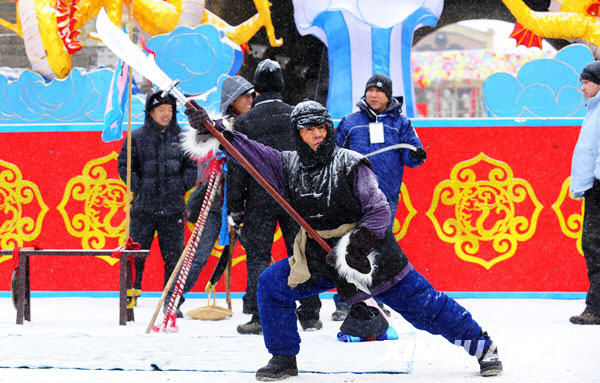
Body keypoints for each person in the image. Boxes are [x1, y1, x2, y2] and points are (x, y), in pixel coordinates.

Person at [183, 100, 503, 380]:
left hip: (369, 253)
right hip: (320, 255)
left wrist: (358, 247)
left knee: (424, 307)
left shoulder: (351, 163)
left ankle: (482, 346)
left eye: (321, 128)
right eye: (308, 130)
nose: (317, 134)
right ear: (298, 134)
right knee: (271, 285)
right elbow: (250, 152)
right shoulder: (287, 165)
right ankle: (283, 358)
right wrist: (217, 131)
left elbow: (378, 210)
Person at [226, 59, 322, 334]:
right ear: (281, 86)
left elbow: (238, 166)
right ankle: (310, 313)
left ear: (257, 90)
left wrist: (235, 205)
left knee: (258, 257)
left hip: (259, 198)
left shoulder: (244, 122)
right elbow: (311, 159)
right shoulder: (296, 117)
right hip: (295, 198)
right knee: (301, 254)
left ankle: (259, 315)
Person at [331, 73, 427, 321]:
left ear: (388, 95)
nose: (373, 95)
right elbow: (333, 153)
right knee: (348, 246)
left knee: (376, 249)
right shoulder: (351, 123)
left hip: (385, 199)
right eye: (370, 90)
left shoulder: (401, 124)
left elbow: (411, 155)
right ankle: (344, 301)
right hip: (353, 196)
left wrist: (416, 154)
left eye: (379, 91)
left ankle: (376, 300)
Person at [164, 75, 254, 317]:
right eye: (244, 95)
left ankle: (255, 303)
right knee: (199, 254)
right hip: (216, 201)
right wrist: (205, 127)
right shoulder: (217, 125)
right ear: (232, 100)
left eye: (251, 95)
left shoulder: (255, 123)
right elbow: (200, 141)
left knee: (257, 253)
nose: (250, 99)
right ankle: (172, 299)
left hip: (246, 201)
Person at [118, 91, 197, 300]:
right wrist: (140, 186)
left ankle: (172, 300)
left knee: (173, 257)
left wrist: (180, 186)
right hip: (144, 208)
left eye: (169, 110)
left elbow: (191, 169)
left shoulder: (182, 138)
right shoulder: (136, 137)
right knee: (136, 255)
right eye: (161, 110)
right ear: (151, 112)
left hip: (173, 210)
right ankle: (130, 294)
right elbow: (125, 166)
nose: (166, 114)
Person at [569, 60, 600, 325]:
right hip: (594, 185)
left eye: (586, 82)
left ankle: (597, 307)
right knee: (593, 244)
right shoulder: (594, 109)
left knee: (594, 244)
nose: (582, 87)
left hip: (598, 185)